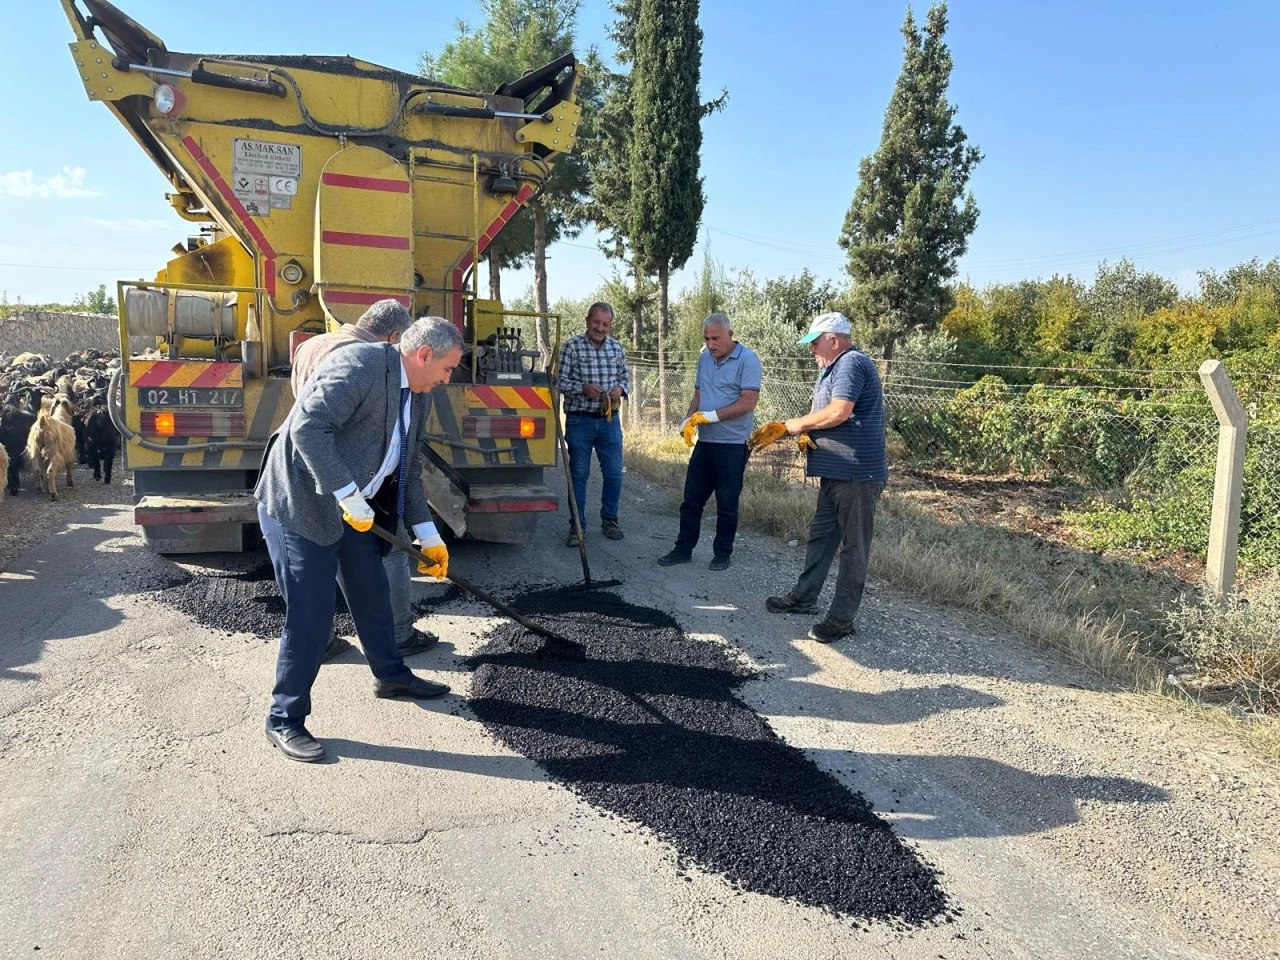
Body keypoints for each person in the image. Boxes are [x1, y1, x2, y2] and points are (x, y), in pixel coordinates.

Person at [255, 316, 464, 762]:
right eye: (447, 368)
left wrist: (427, 534)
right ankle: (284, 718)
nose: (447, 379)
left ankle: (391, 675)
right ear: (424, 354)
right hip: (302, 502)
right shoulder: (360, 365)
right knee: (311, 615)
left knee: (372, 590)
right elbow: (308, 428)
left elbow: (407, 466)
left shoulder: (419, 394)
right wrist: (349, 495)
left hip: (354, 507)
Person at [291, 299, 437, 657]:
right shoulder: (366, 360)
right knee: (391, 550)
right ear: (395, 337)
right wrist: (351, 494)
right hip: (352, 478)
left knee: (316, 563)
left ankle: (320, 640)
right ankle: (399, 634)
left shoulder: (311, 345)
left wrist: (430, 534)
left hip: (312, 474)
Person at [750, 312, 887, 643]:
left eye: (814, 343)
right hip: (836, 472)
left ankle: (841, 620)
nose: (811, 349)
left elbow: (839, 411)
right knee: (822, 538)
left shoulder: (851, 363)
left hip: (857, 474)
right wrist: (809, 433)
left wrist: (794, 426)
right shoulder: (834, 367)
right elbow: (830, 415)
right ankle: (804, 598)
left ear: (833, 340)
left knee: (854, 548)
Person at [657, 314, 761, 571]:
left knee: (727, 503)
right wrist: (687, 419)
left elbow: (748, 402)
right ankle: (683, 549)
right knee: (691, 501)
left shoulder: (748, 360)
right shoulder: (705, 358)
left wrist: (712, 416)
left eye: (716, 338)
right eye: (707, 339)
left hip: (733, 444)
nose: (711, 344)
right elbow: (698, 394)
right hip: (705, 442)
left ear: (730, 334)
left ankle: (722, 554)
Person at [557, 301, 630, 545]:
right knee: (579, 475)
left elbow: (625, 379)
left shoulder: (617, 348)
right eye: (596, 322)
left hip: (609, 421)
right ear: (587, 321)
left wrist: (620, 389)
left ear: (610, 325)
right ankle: (577, 526)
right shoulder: (572, 347)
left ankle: (610, 520)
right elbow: (559, 382)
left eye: (605, 324)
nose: (600, 328)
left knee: (614, 473)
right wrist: (582, 388)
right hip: (580, 420)